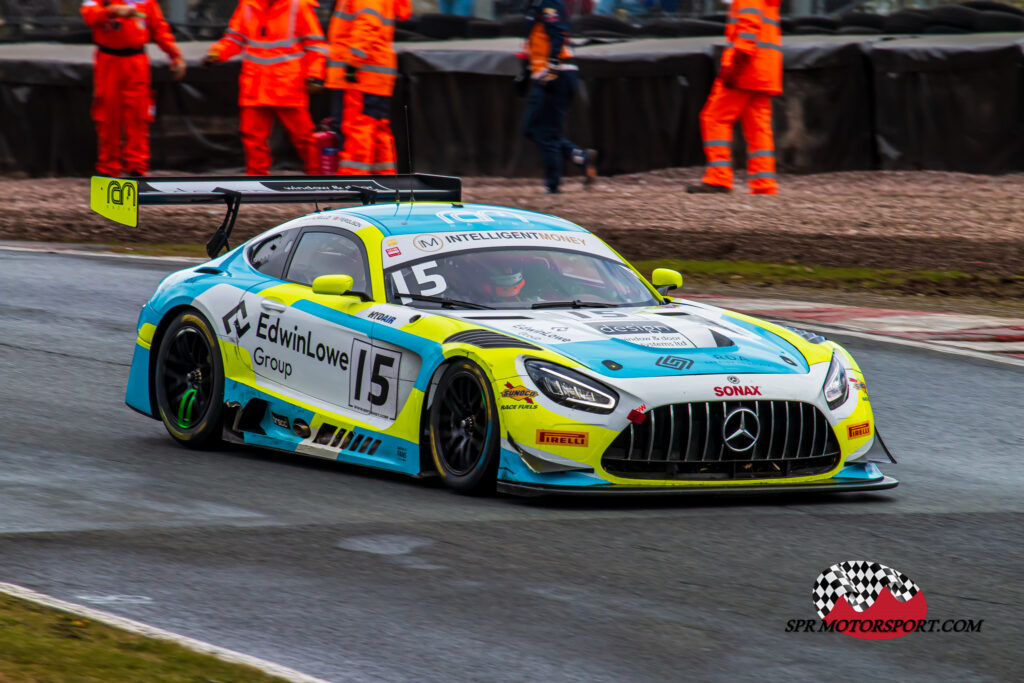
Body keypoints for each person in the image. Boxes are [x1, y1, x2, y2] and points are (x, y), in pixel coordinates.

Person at [204, 0, 327, 176]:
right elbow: (234, 38)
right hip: (257, 83)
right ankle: (256, 178)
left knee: (304, 136)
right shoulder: (248, 5)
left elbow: (315, 45)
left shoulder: (297, 6)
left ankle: (317, 177)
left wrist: (315, 74)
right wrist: (217, 52)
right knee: (252, 136)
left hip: (286, 83)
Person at [80, 0, 186, 177]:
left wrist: (175, 55)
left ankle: (136, 167)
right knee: (108, 115)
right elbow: (89, 15)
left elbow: (160, 29)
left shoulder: (147, 2)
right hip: (109, 62)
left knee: (139, 115)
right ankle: (109, 169)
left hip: (137, 63)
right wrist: (112, 11)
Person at [688, 0, 782, 195]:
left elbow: (748, 30)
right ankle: (764, 183)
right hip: (765, 69)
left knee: (714, 118)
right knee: (758, 126)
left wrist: (736, 66)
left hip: (746, 68)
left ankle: (718, 177)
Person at [326, 0, 411, 175]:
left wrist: (352, 62)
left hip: (361, 75)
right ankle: (386, 180)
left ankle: (353, 180)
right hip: (374, 75)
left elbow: (367, 24)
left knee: (358, 130)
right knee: (378, 131)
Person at [522, 0, 596, 194]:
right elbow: (533, 44)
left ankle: (552, 185)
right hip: (545, 74)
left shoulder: (549, 3)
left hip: (557, 74)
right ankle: (579, 156)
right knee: (530, 128)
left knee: (545, 132)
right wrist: (524, 73)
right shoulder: (533, 8)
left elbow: (557, 31)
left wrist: (553, 64)